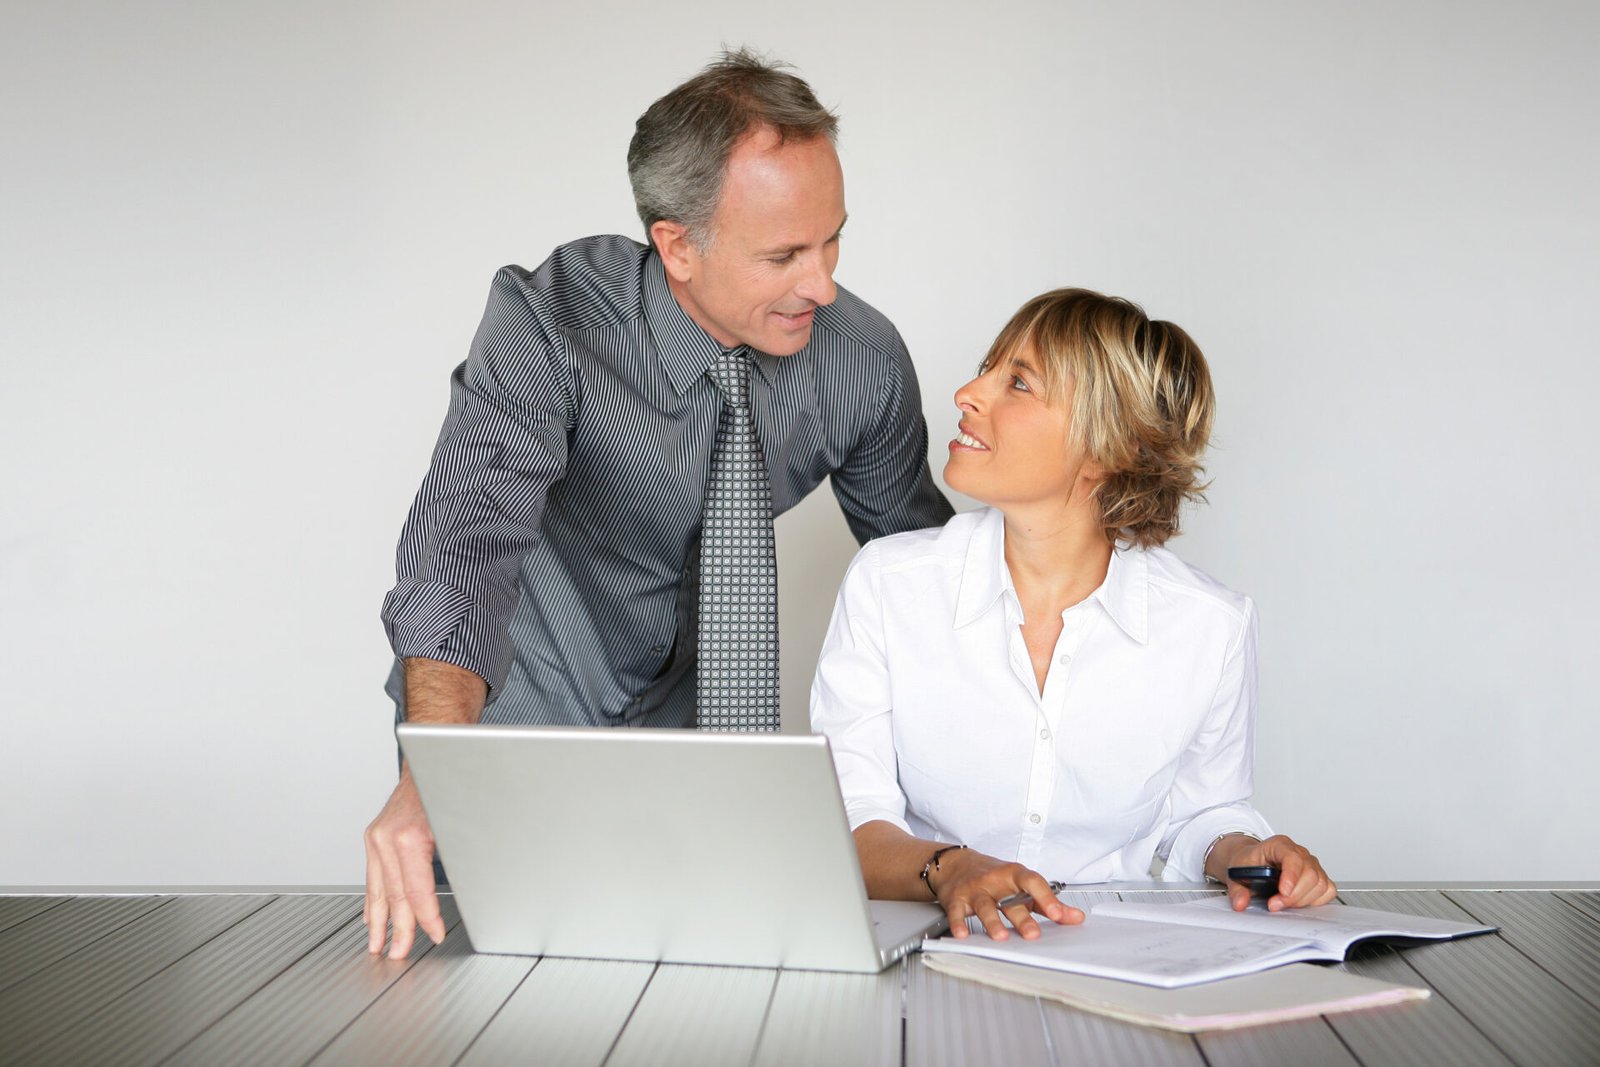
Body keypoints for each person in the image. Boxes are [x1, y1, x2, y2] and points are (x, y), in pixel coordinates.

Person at [365, 50, 952, 958]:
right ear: (678, 246)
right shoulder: (551, 325)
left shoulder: (860, 360)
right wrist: (441, 768)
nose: (823, 283)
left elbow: (931, 591)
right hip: (517, 744)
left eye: (833, 237)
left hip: (704, 781)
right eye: (783, 254)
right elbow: (464, 544)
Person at [810, 288, 1335, 942]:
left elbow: (1202, 814)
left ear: (1104, 452)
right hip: (933, 948)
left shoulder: (1211, 626)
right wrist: (949, 868)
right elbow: (849, 816)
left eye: (1019, 382)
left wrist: (1248, 854)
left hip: (1122, 956)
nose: (968, 392)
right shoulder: (888, 585)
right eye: (988, 367)